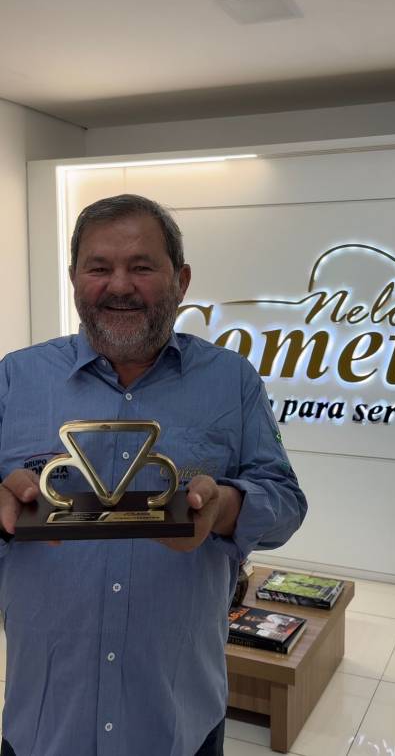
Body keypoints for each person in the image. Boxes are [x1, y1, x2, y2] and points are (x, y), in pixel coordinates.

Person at [0, 194, 307, 756]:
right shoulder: (15, 378)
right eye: (99, 267)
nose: (119, 285)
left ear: (181, 280)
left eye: (141, 266)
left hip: (179, 720)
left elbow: (286, 503)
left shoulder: (232, 381)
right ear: (74, 278)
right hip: (45, 722)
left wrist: (224, 508)